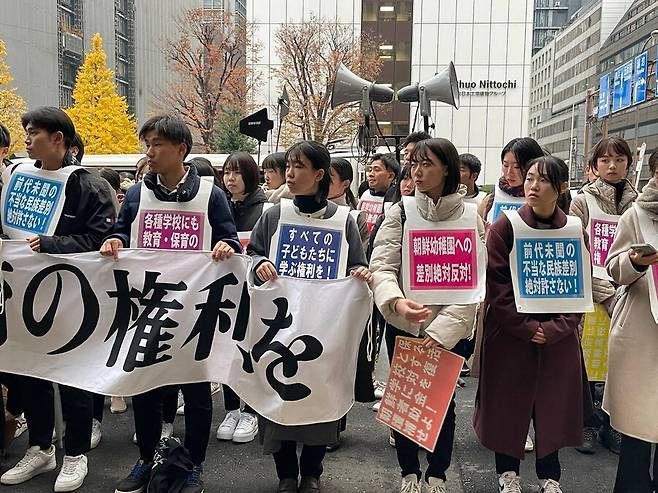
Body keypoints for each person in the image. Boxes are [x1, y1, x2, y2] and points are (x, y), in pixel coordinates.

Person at [100, 114, 241, 493]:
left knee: (195, 391)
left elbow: (232, 242)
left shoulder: (210, 195)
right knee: (145, 387)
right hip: (147, 308)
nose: (150, 152)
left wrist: (227, 247)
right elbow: (119, 231)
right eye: (147, 144)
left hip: (195, 311)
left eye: (157, 144)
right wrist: (114, 240)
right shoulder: (136, 194)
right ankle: (147, 458)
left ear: (181, 149)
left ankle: (193, 464)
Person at [0, 107, 116, 492]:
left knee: (72, 377)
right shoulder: (17, 178)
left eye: (34, 133)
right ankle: (40, 447)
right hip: (22, 299)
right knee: (31, 373)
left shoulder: (89, 186)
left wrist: (51, 244)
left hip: (72, 300)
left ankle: (75, 454)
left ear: (59, 140)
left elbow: (100, 240)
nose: (27, 139)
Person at [246, 140, 372, 493]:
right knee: (278, 399)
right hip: (280, 326)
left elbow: (358, 264)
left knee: (321, 397)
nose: (290, 172)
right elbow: (252, 257)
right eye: (288, 165)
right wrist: (260, 265)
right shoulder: (273, 215)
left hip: (324, 330)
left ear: (320, 175)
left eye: (299, 166)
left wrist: (360, 273)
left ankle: (312, 471)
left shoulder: (345, 221)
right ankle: (286, 473)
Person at [370, 138, 483, 493]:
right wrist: (396, 303)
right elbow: (382, 266)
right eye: (413, 164)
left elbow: (474, 285)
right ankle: (408, 472)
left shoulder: (470, 215)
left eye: (427, 164)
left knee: (443, 402)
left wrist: (442, 331)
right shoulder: (401, 211)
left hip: (449, 330)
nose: (416, 172)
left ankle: (437, 472)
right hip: (404, 324)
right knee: (406, 398)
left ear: (446, 169)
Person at [474, 156, 588, 493]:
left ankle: (550, 476)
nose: (533, 187)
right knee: (508, 407)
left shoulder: (573, 229)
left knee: (551, 407)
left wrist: (554, 329)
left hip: (558, 339)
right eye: (530, 179)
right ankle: (507, 474)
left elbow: (578, 288)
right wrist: (525, 328)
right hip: (510, 336)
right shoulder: (505, 227)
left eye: (543, 181)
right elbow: (496, 285)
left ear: (562, 188)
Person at [569, 136, 637, 455]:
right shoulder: (582, 201)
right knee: (586, 366)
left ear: (628, 164)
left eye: (620, 160)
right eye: (606, 160)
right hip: (592, 296)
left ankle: (612, 426)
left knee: (619, 366)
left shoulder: (638, 204)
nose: (613, 166)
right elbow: (577, 250)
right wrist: (605, 294)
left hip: (629, 295)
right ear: (595, 165)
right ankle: (587, 424)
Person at [604, 175, 658, 493]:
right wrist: (634, 261)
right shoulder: (636, 215)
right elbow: (613, 269)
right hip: (641, 331)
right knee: (638, 432)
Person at [214, 152, 267, 444]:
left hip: (255, 294)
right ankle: (232, 408)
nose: (230, 179)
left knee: (252, 351)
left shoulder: (265, 209)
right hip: (225, 292)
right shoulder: (220, 204)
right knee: (228, 351)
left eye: (237, 173)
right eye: (226, 173)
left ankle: (252, 410)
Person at [479, 137, 545, 226]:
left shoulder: (549, 196)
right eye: (505, 165)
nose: (509, 172)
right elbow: (478, 228)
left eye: (517, 167)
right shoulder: (492, 197)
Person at [328, 157, 369, 251]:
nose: (322, 184)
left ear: (345, 184)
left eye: (328, 180)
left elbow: (360, 256)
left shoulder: (355, 217)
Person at [358, 153, 400, 231]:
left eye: (376, 170)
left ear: (391, 176)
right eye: (370, 170)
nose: (370, 174)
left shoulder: (395, 200)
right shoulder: (365, 194)